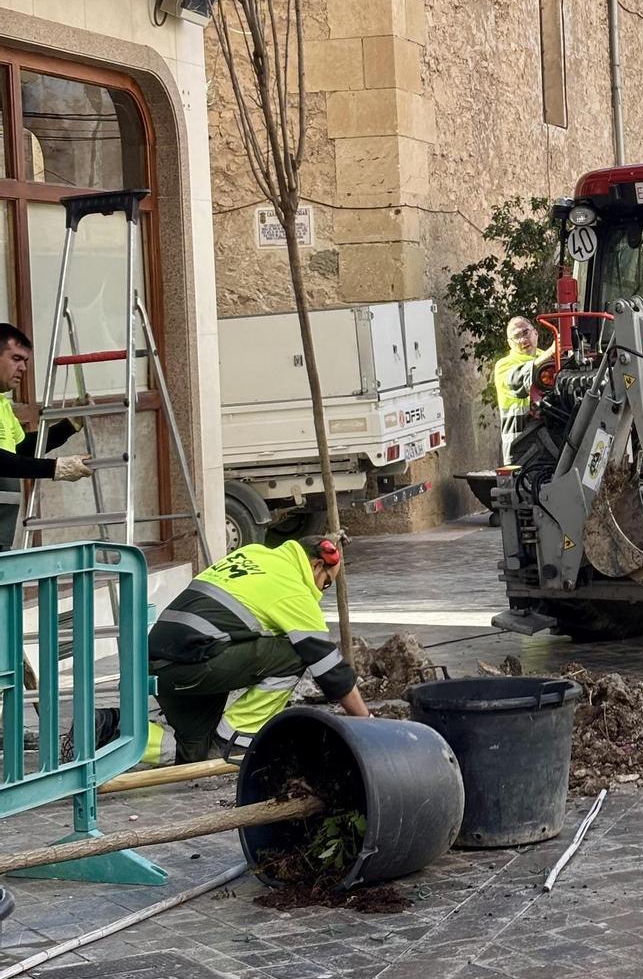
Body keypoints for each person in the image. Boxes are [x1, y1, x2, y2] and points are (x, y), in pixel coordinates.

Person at [81, 536, 370, 765]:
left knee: (192, 754)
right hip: (192, 662)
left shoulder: (254, 554)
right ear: (317, 565)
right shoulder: (293, 587)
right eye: (327, 582)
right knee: (296, 654)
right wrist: (368, 726)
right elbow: (331, 670)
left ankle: (111, 729)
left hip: (157, 661)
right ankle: (235, 741)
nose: (323, 590)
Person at [0, 322, 91, 549]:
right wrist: (54, 468)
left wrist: (69, 425)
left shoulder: (2, 404)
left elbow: (22, 449)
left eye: (26, 361)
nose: (23, 368)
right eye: (16, 359)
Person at [493, 316, 553, 464]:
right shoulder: (504, 366)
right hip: (519, 449)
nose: (522, 340)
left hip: (549, 445)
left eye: (525, 332)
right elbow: (519, 380)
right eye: (516, 337)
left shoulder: (548, 358)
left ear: (535, 333)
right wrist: (550, 354)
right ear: (509, 343)